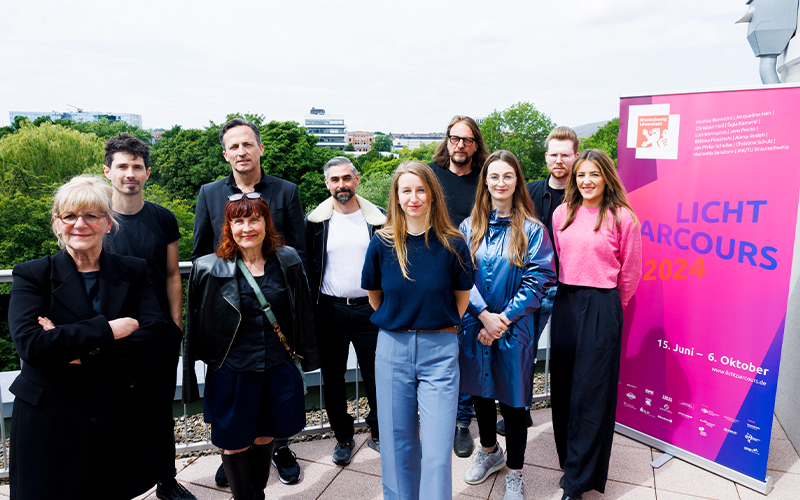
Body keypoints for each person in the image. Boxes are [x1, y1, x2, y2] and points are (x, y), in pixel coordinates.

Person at [8, 174, 172, 500]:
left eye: (91, 216)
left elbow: (157, 334)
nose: (79, 224)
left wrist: (82, 352)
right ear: (57, 224)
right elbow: (32, 345)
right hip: (51, 416)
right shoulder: (32, 275)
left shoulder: (133, 270)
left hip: (114, 412)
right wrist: (110, 329)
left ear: (108, 224)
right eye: (69, 216)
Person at [182, 193, 319, 500]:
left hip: (276, 365)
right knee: (234, 440)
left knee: (266, 433)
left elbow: (303, 312)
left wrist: (309, 358)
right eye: (238, 220)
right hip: (232, 370)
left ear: (265, 223)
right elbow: (194, 326)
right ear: (228, 227)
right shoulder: (208, 269)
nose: (247, 227)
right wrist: (191, 374)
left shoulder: (288, 260)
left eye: (254, 219)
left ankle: (258, 493)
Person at [192, 117, 307, 485]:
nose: (241, 151)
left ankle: (280, 449)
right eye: (234, 146)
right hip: (231, 322)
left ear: (259, 148)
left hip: (272, 311)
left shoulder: (285, 191)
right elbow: (200, 257)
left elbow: (299, 256)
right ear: (225, 154)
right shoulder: (209, 192)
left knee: (272, 412)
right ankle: (235, 459)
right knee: (234, 420)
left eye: (247, 144)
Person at [361, 161, 473, 500]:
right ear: (396, 196)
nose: (414, 197)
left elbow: (462, 299)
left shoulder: (454, 243)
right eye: (406, 190)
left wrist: (432, 324)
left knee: (438, 451)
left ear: (433, 195)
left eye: (421, 189)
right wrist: (402, 322)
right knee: (397, 446)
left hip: (439, 350)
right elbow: (374, 296)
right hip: (392, 348)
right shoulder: (381, 243)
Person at [458, 150, 556, 499]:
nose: (500, 183)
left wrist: (501, 320)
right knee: (480, 396)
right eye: (494, 177)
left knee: (514, 404)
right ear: (485, 181)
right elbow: (461, 276)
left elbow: (538, 279)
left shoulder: (533, 230)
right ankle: (489, 454)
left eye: (508, 177)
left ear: (517, 181)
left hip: (514, 331)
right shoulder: (469, 228)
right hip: (474, 327)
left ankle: (515, 471)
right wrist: (483, 316)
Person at [102, 133, 196, 500]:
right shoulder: (96, 219)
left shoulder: (162, 219)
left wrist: (175, 324)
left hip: (157, 333)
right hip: (109, 334)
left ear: (147, 172)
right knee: (112, 412)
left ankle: (166, 481)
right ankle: (114, 483)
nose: (130, 173)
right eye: (122, 166)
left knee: (159, 412)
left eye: (137, 167)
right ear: (107, 171)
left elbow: (173, 274)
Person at [550, 149, 642, 500]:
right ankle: (569, 463)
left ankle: (577, 480)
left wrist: (609, 310)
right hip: (566, 303)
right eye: (580, 175)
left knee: (591, 395)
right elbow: (561, 257)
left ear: (607, 178)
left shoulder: (622, 217)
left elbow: (630, 273)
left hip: (602, 305)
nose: (586, 181)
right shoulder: (562, 212)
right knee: (564, 388)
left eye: (594, 174)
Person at [496, 126, 579, 435]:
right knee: (524, 353)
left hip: (571, 288)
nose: (559, 161)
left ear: (576, 156)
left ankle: (568, 416)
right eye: (553, 155)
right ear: (546, 157)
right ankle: (523, 411)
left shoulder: (584, 193)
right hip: (534, 288)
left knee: (568, 356)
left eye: (565, 155)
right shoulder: (528, 192)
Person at [304, 156, 386, 465]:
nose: (342, 185)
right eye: (335, 180)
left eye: (346, 178)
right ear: (327, 183)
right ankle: (343, 435)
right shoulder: (314, 222)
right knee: (333, 378)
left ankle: (378, 431)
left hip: (370, 310)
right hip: (329, 310)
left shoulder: (378, 219)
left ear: (357, 179)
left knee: (377, 375)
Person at [428, 115, 490, 457]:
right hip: (433, 276)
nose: (460, 145)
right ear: (447, 140)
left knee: (467, 351)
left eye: (467, 140)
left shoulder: (484, 180)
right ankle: (436, 417)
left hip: (472, 278)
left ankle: (461, 423)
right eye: (455, 138)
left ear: (475, 144)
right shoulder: (430, 174)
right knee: (439, 351)